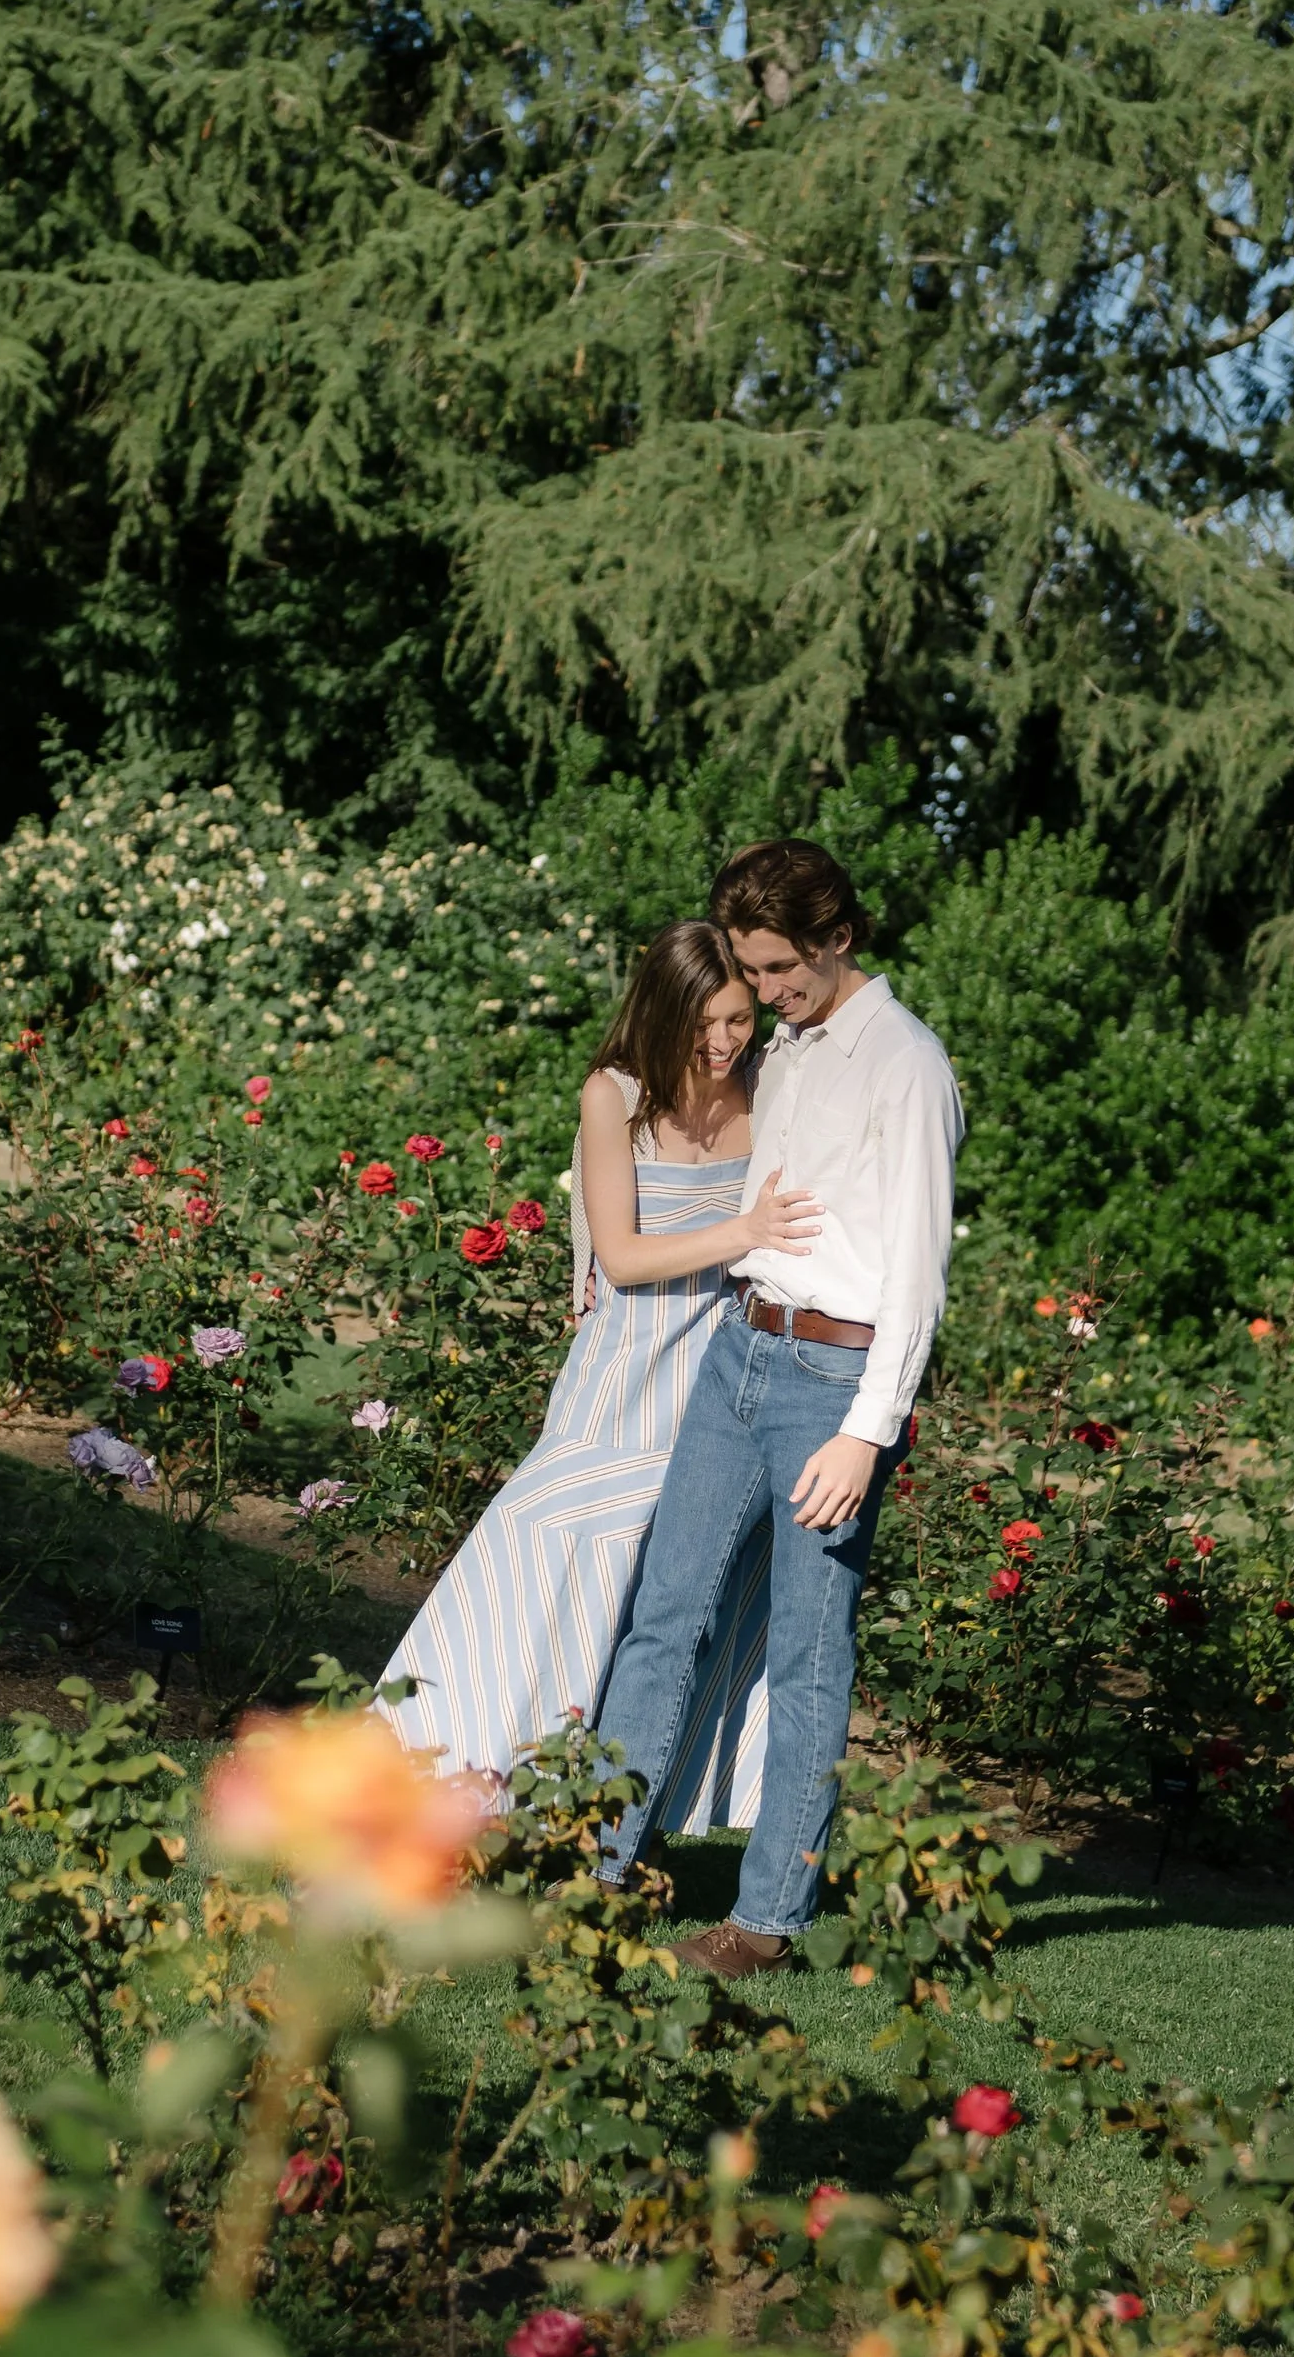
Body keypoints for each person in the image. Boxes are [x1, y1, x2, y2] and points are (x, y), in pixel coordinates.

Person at [594, 839, 963, 1976]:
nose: (762, 991)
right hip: (739, 1352)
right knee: (665, 1615)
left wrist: (866, 1433)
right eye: (749, 970)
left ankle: (767, 1924)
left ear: (837, 938)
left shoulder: (905, 1066)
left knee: (806, 1651)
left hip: (833, 1387)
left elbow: (918, 1277)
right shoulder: (789, 1048)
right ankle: (596, 1868)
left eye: (777, 969)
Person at [376, 919, 822, 1815]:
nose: (724, 1042)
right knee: (545, 1564)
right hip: (624, 1375)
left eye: (739, 1018)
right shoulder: (614, 1096)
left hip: (721, 1370)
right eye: (703, 1024)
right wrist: (744, 1231)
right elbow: (619, 1257)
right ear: (661, 1013)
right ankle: (444, 1770)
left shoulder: (769, 1084)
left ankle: (618, 1807)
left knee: (678, 1595)